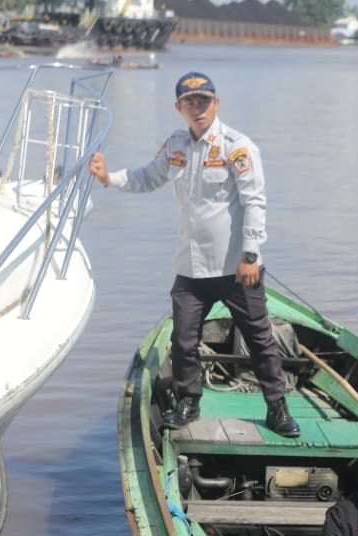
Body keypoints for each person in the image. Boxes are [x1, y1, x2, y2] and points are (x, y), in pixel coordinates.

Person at [88, 72, 299, 437]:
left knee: (260, 339)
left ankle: (277, 407)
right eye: (190, 102)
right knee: (183, 341)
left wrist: (251, 254)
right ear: (179, 108)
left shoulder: (237, 146)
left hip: (236, 267)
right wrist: (109, 178)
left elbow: (255, 202)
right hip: (191, 267)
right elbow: (148, 177)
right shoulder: (175, 145)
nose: (197, 108)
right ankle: (189, 401)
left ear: (216, 104)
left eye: (204, 101)